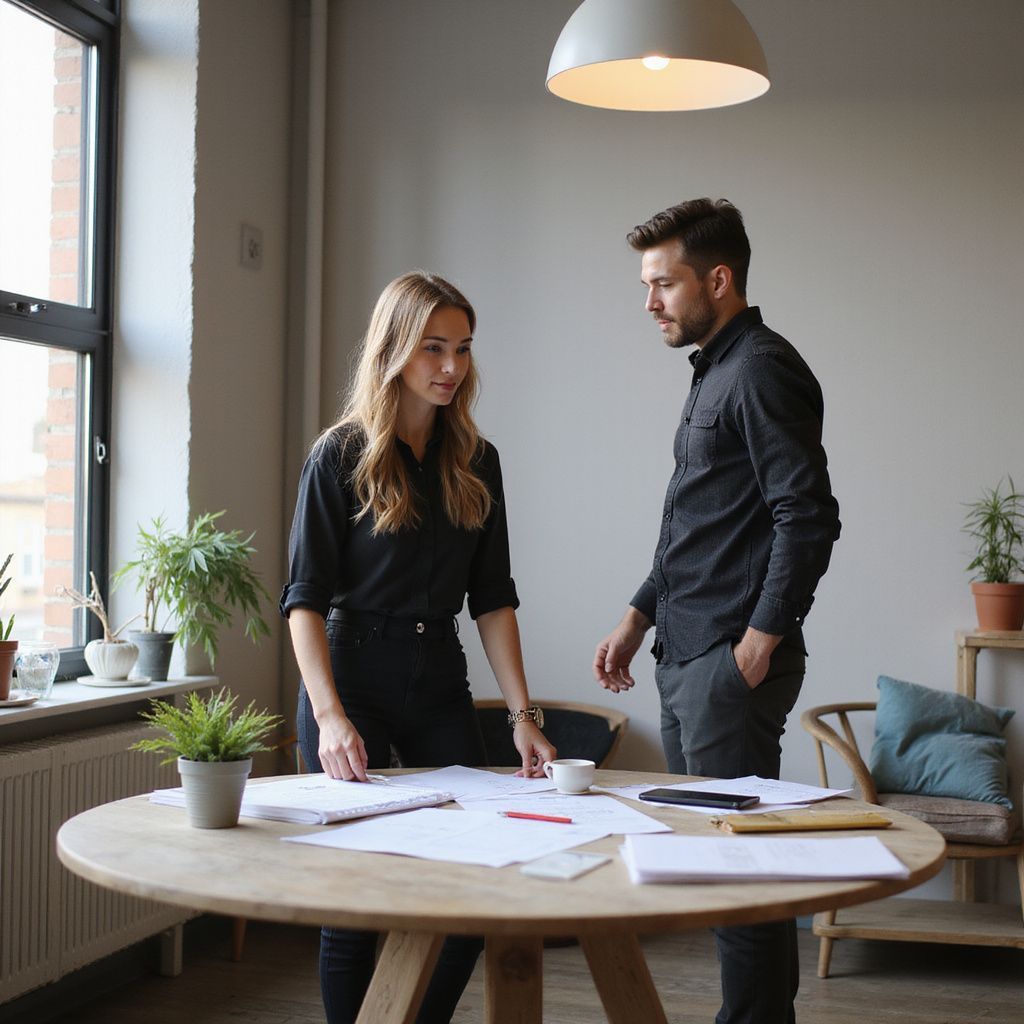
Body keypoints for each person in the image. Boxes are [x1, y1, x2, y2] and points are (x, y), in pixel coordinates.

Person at [281, 270, 556, 1024]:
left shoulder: (477, 458)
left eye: (462, 349)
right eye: (433, 347)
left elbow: (493, 598)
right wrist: (329, 714)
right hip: (352, 675)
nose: (451, 367)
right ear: (394, 348)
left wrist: (522, 715)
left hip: (439, 677)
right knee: (354, 903)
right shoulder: (338, 456)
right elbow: (302, 600)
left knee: (468, 894)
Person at [593, 199, 841, 1024]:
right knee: (722, 869)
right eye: (647, 285)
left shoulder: (762, 368)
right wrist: (637, 614)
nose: (650, 302)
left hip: (725, 662)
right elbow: (697, 523)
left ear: (719, 279)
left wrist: (758, 642)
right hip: (686, 650)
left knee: (739, 873)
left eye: (663, 283)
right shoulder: (715, 368)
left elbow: (806, 513)